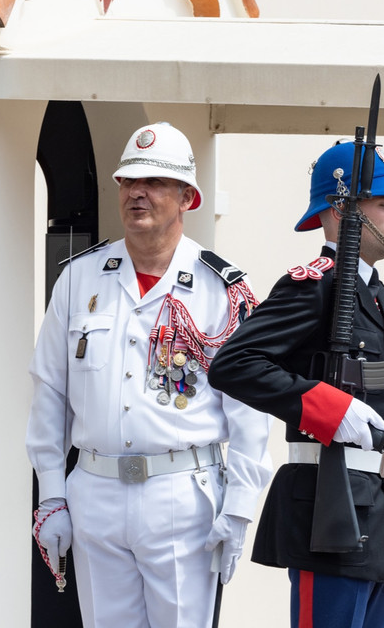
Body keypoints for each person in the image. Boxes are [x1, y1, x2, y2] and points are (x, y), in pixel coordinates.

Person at [26, 122, 271, 628]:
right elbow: (49, 389)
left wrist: (242, 505)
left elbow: (248, 410)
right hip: (95, 489)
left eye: (155, 181)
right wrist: (51, 492)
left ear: (188, 197)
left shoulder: (220, 288)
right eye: (128, 180)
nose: (137, 192)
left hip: (182, 495)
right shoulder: (79, 278)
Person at [207, 140, 384, 628]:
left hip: (375, 507)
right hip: (328, 508)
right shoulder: (314, 287)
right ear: (343, 210)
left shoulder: (379, 299)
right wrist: (325, 407)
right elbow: (234, 363)